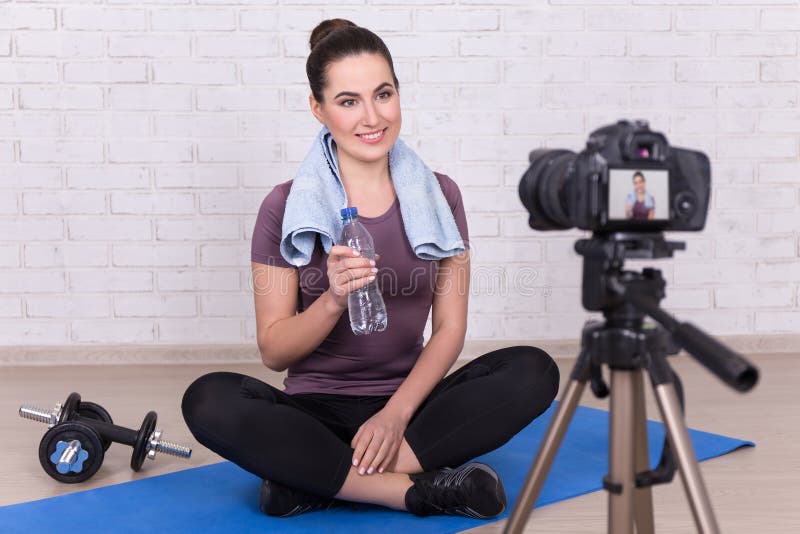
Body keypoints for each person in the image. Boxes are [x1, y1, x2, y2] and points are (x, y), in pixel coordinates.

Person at [181, 19, 559, 520]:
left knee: (533, 369)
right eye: (348, 100)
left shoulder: (440, 197)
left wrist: (395, 414)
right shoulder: (283, 207)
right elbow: (274, 351)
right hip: (315, 413)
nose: (372, 116)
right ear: (318, 109)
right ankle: (412, 491)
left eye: (383, 94)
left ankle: (322, 480)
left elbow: (450, 329)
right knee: (208, 399)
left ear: (399, 94)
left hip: (413, 405)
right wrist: (333, 300)